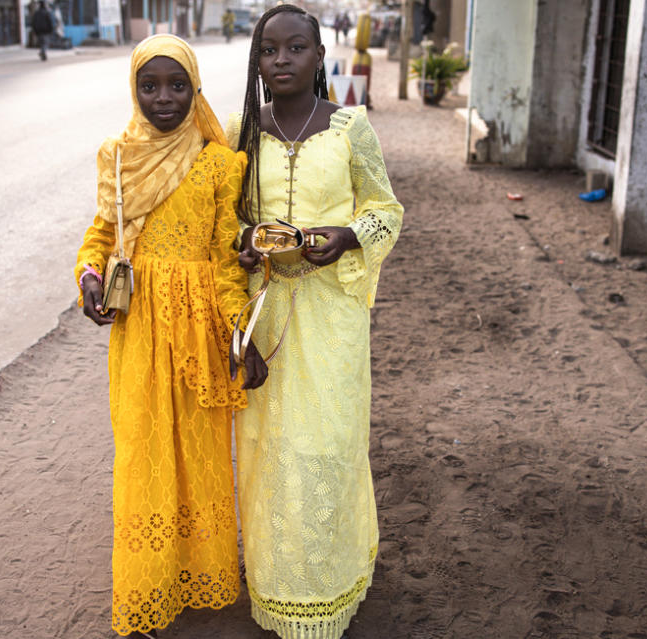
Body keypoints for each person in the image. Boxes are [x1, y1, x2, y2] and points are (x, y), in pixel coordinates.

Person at [74, 34, 266, 638]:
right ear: (134, 90)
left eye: (177, 85)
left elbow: (223, 259)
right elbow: (100, 236)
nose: (163, 98)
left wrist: (240, 330)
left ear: (196, 88)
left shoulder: (216, 161)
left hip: (198, 333)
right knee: (143, 455)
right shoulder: (120, 156)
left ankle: (198, 573)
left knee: (200, 454)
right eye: (149, 86)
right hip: (138, 334)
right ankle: (149, 585)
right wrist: (86, 274)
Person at [226, 4, 403, 638]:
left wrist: (349, 236)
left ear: (318, 56)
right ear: (257, 62)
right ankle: (277, 583)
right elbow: (228, 220)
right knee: (268, 450)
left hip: (332, 315)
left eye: (294, 48)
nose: (280, 60)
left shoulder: (351, 128)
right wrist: (247, 241)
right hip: (266, 310)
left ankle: (329, 582)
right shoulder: (241, 134)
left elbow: (387, 209)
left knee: (327, 445)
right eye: (268, 51)